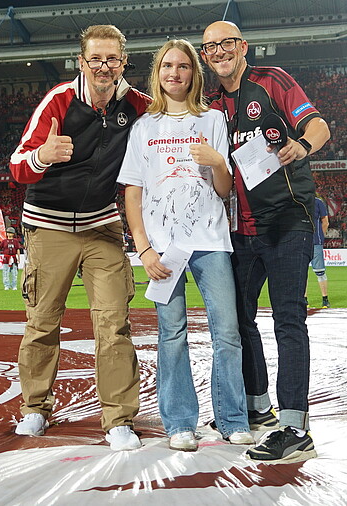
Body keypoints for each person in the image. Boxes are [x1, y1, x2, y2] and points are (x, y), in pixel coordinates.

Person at [9, 25, 150, 451]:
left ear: (124, 63)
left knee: (113, 324)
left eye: (112, 59)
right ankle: (35, 408)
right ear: (81, 61)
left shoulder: (139, 106)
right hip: (48, 225)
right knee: (42, 322)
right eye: (95, 59)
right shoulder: (58, 100)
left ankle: (119, 420)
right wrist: (42, 156)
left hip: (103, 226)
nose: (103, 67)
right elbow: (17, 165)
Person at [201, 20, 331, 463]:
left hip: (285, 222)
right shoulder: (211, 105)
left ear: (243, 47)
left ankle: (296, 427)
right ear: (205, 56)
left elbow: (319, 127)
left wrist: (302, 146)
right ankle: (257, 408)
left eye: (226, 43)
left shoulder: (271, 81)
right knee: (237, 320)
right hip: (238, 228)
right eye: (210, 47)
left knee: (288, 320)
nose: (219, 51)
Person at [118, 39, 252, 452]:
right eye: (166, 66)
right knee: (171, 334)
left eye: (183, 66)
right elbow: (133, 194)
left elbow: (226, 189)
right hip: (163, 247)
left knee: (227, 333)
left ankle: (232, 419)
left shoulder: (212, 120)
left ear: (194, 73)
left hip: (210, 240)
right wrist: (143, 249)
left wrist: (216, 162)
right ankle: (179, 423)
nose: (174, 73)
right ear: (157, 74)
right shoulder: (144, 127)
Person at [308, 195, 330, 308]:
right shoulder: (297, 201)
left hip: (315, 242)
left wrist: (319, 236)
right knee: (301, 273)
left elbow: (325, 222)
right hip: (300, 242)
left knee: (320, 272)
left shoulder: (318, 202)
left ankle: (325, 298)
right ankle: (303, 299)